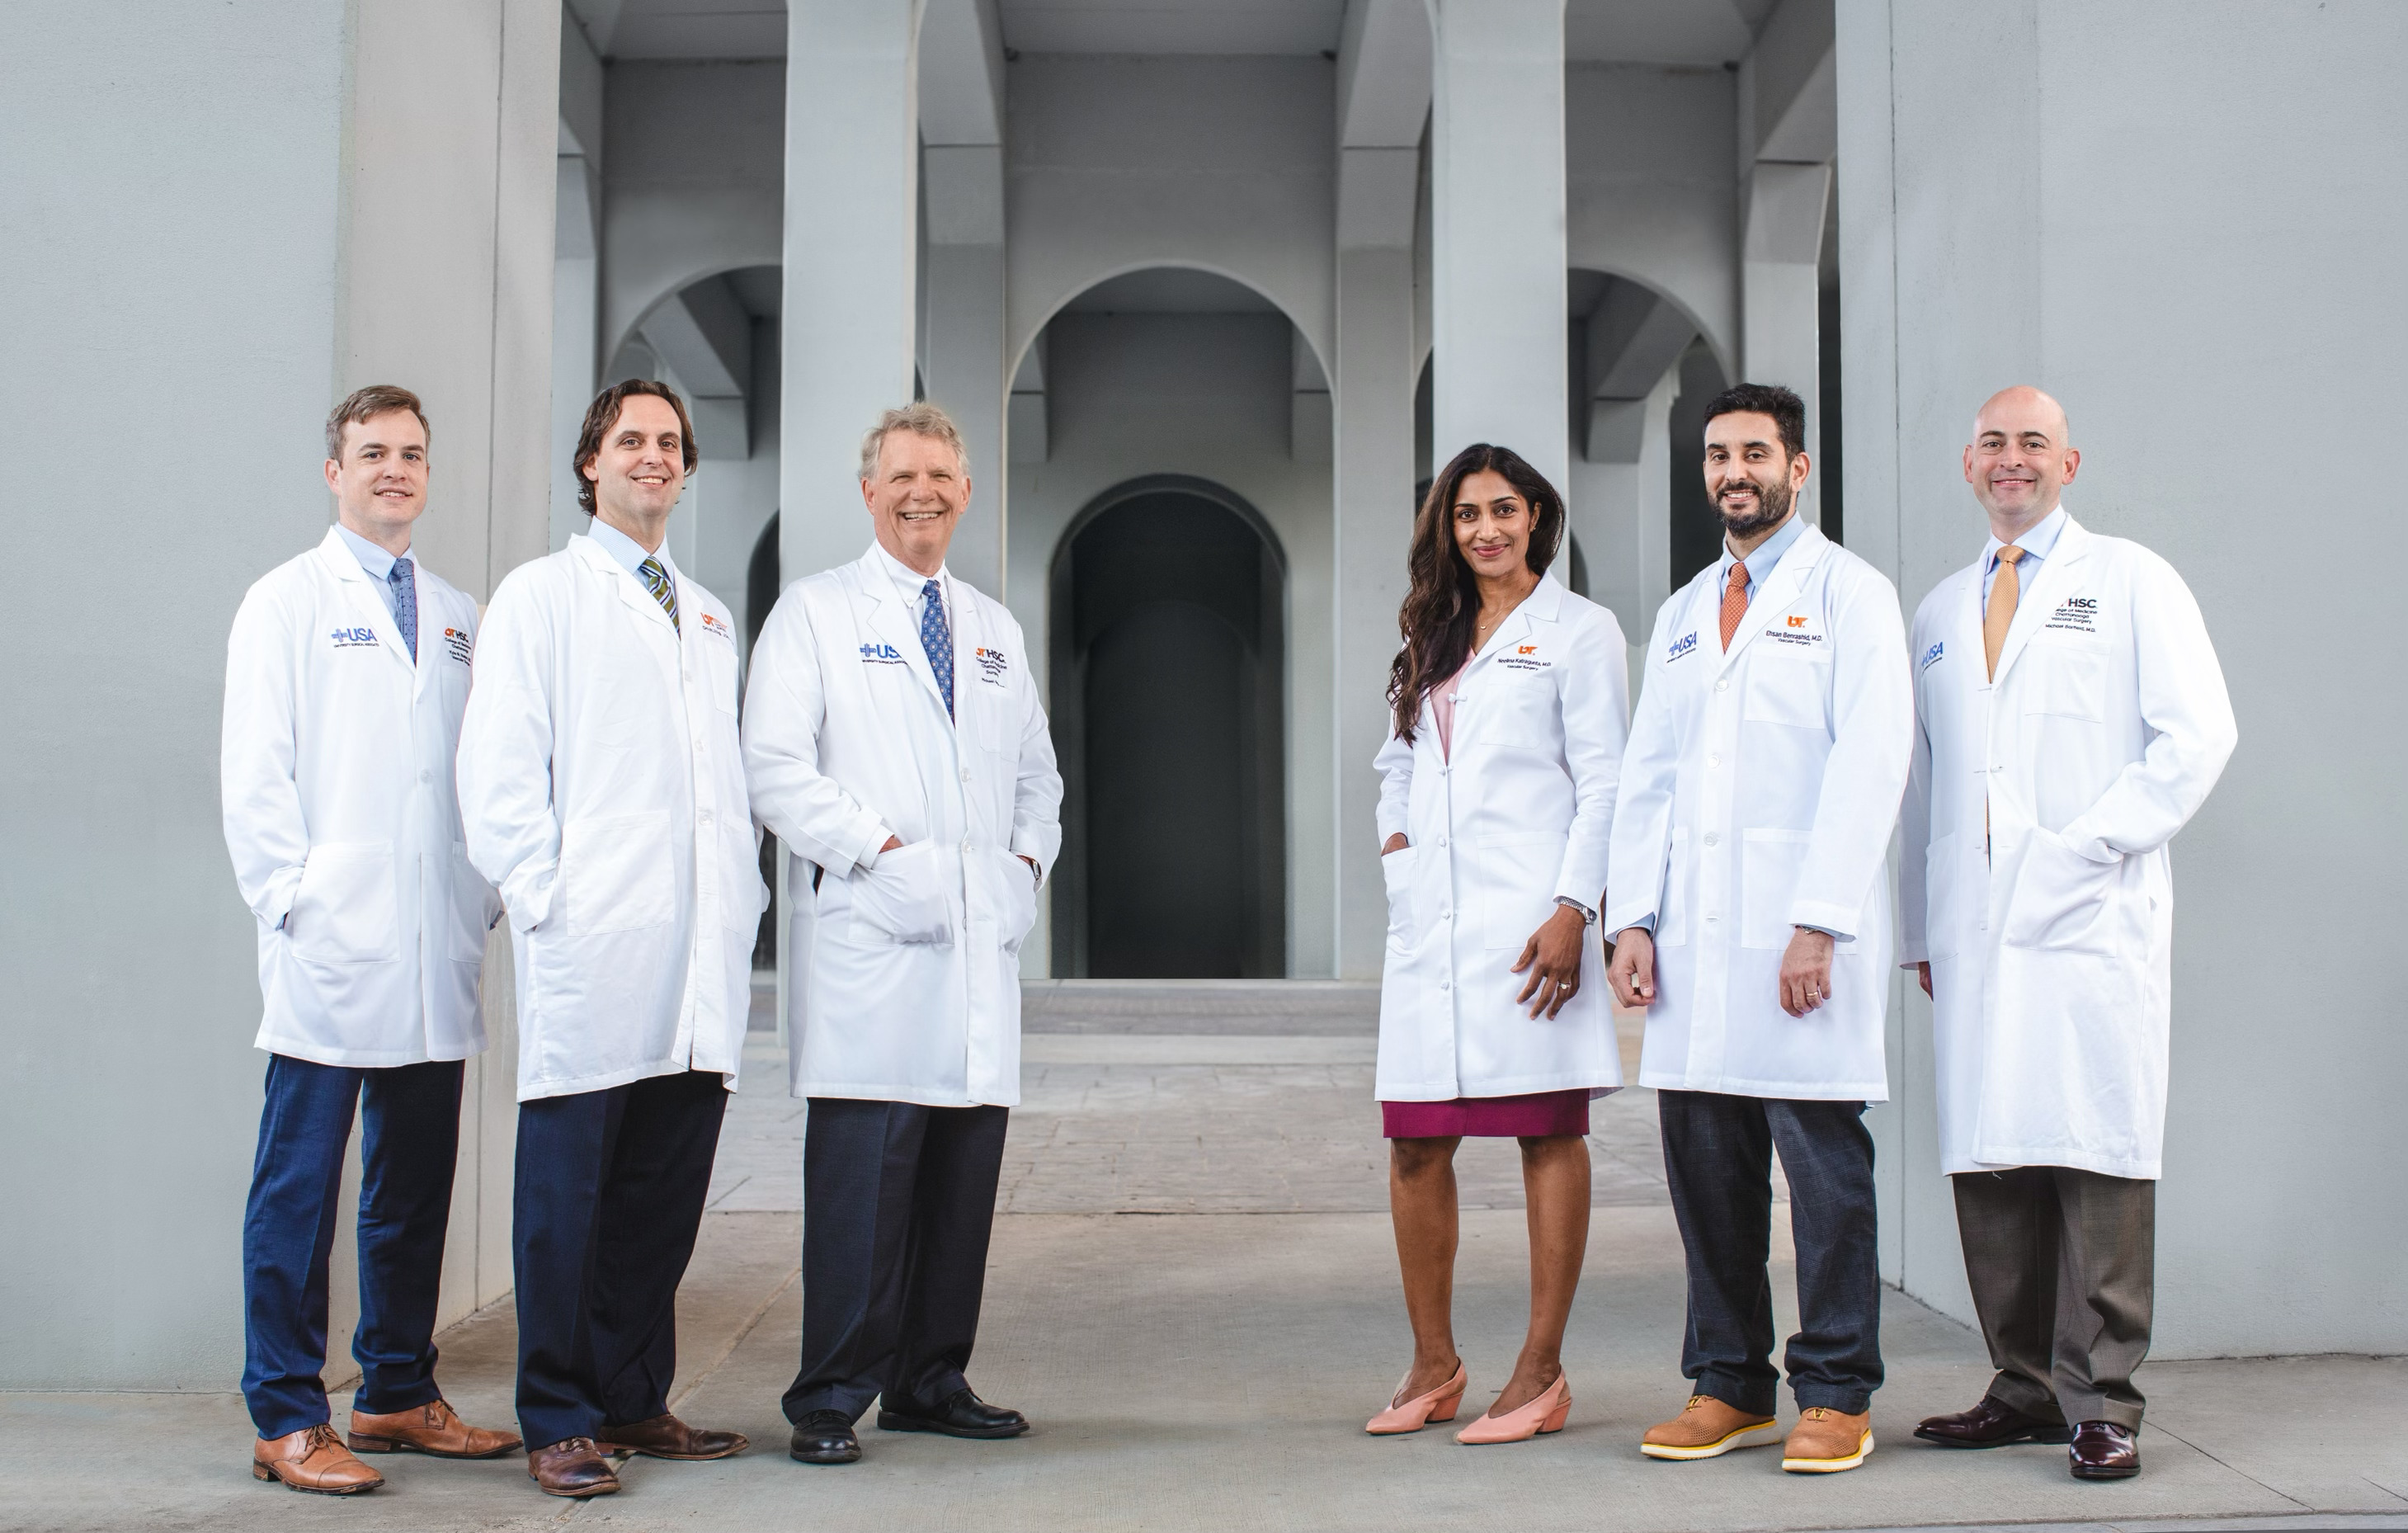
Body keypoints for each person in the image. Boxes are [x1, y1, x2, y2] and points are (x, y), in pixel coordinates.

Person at [1901, 387, 2236, 1482]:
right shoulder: (1943, 607)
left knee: (2093, 1148)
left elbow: (2195, 735)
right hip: (1971, 923)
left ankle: (2101, 1399)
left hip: (2089, 910)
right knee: (1991, 1155)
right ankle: (2022, 1385)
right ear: (1966, 465)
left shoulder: (2129, 579)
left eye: (2030, 443)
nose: (2011, 460)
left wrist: (2087, 847)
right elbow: (1925, 783)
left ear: (2068, 461)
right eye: (1992, 443)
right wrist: (1917, 921)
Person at [455, 380, 763, 1498]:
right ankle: (559, 1413)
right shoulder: (541, 596)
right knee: (565, 1203)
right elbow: (497, 772)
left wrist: (742, 903)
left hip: (694, 953)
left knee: (659, 1194)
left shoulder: (709, 612)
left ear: (685, 470)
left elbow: (716, 780)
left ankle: (634, 1395)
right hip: (594, 943)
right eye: (629, 440)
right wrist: (547, 900)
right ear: (589, 462)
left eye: (668, 444)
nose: (651, 458)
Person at [742, 403, 1062, 1468]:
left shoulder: (991, 629)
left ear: (964, 493)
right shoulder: (815, 613)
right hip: (874, 943)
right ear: (868, 492)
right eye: (900, 476)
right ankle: (829, 1393)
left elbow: (1037, 777)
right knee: (863, 1191)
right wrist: (884, 852)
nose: (921, 491)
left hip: (979, 942)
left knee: (959, 1179)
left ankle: (931, 1378)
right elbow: (776, 767)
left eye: (939, 475)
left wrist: (1021, 868)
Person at [1605, 383, 1911, 1474]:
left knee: (1821, 1172)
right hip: (1690, 939)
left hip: (1795, 941)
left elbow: (1870, 760)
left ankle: (1832, 1390)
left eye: (1753, 452)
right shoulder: (1685, 611)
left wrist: (1818, 922)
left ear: (1798, 467)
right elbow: (1647, 774)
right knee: (1706, 1170)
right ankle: (1726, 1382)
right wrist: (1629, 917)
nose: (1732, 471)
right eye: (1716, 455)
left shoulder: (1850, 595)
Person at [221, 384, 521, 1494]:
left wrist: (476, 895)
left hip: (432, 942)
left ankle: (395, 1387)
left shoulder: (455, 612)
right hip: (331, 944)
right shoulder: (286, 601)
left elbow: (487, 768)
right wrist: (297, 903)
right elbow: (254, 772)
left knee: (412, 1182)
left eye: (411, 453)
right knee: (298, 1187)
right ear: (334, 470)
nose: (395, 468)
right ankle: (287, 1411)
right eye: (372, 452)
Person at [1366, 443, 1630, 1445]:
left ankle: (1541, 1369)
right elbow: (1394, 762)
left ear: (1536, 519)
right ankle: (1435, 1364)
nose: (1487, 529)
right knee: (1415, 1142)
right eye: (1469, 513)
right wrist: (1397, 849)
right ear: (1448, 526)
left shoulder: (1579, 631)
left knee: (1546, 1130)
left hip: (1532, 927)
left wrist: (1574, 908)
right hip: (1431, 925)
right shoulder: (1431, 633)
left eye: (1506, 510)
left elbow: (1604, 779)